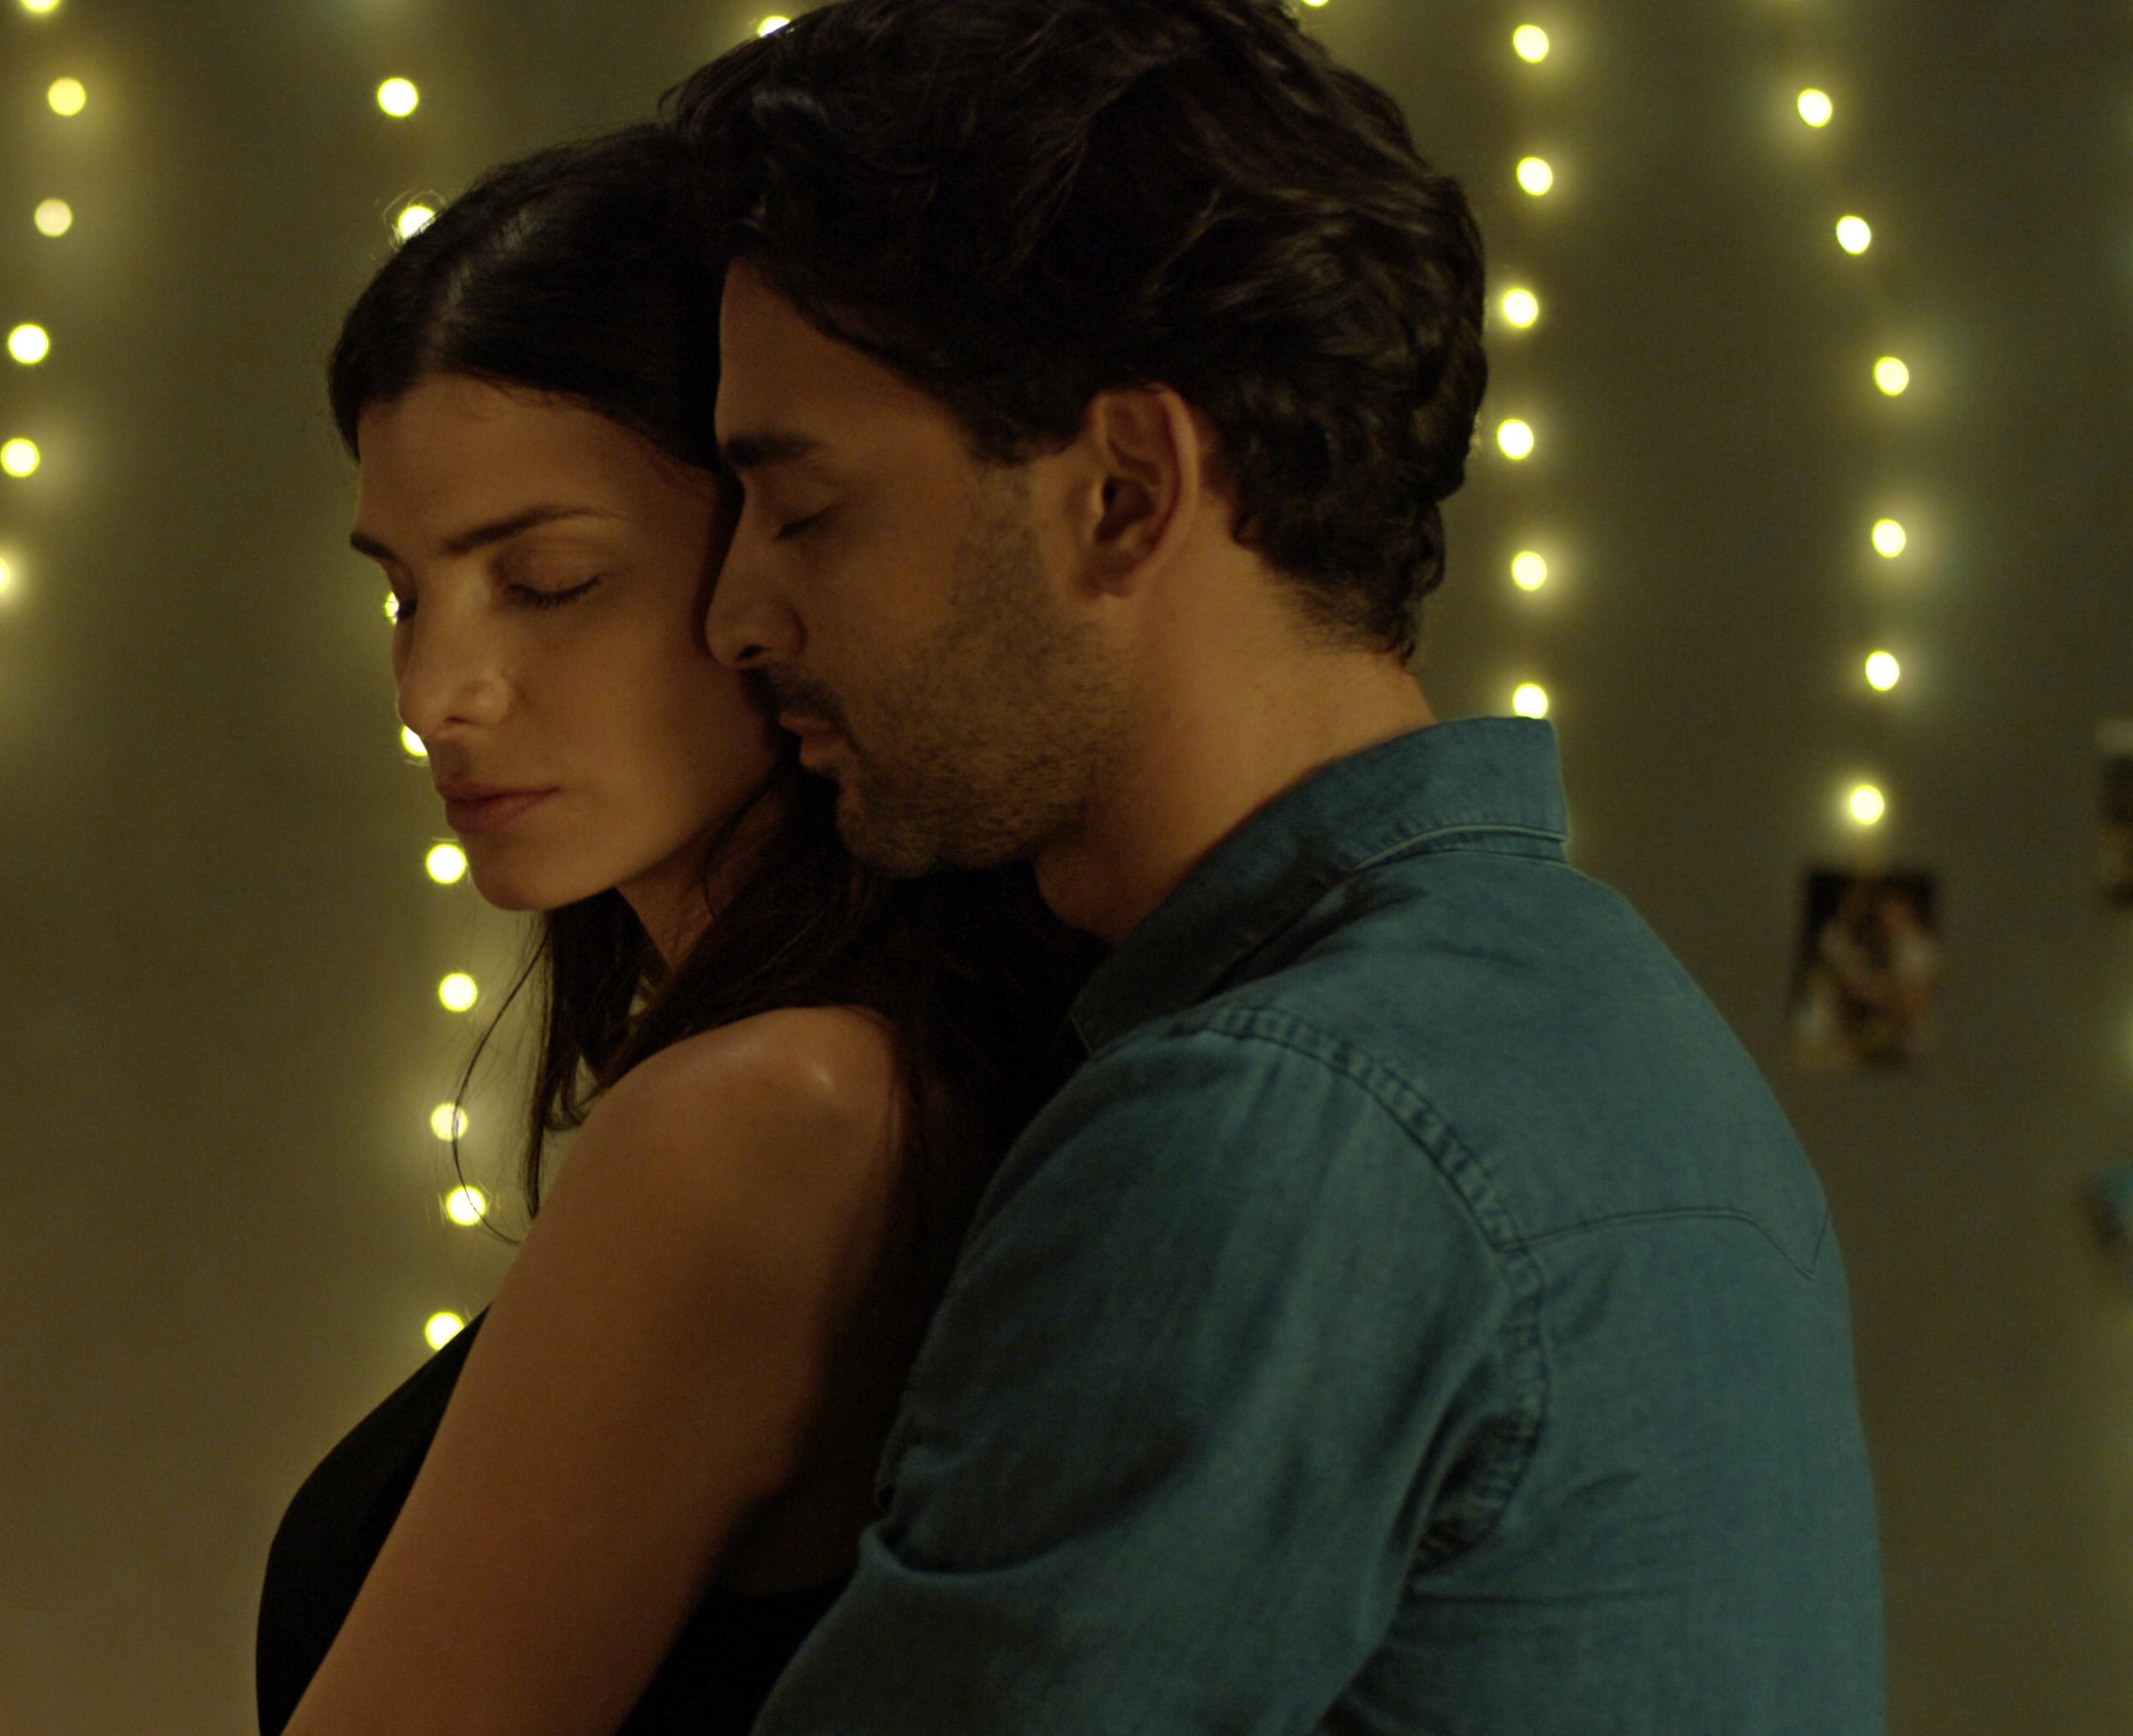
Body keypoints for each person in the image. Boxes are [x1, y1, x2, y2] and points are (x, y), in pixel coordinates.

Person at [666, 1, 1889, 1729]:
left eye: (804, 509)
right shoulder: (1611, 1017)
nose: (735, 613)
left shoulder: (1274, 1125)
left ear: (1123, 492)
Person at [255, 124, 1103, 1736]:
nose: (436, 692)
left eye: (549, 580)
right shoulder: (838, 1064)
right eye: (405, 594)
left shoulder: (775, 1110)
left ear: (776, 554)